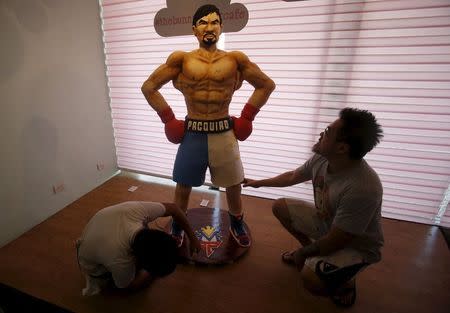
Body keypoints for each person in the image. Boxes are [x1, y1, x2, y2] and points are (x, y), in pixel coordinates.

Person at [141, 4, 275, 248]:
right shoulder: (181, 59)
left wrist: (248, 116)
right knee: (183, 185)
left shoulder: (235, 59)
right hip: (193, 132)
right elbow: (149, 87)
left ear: (221, 27)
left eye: (214, 22)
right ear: (194, 29)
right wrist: (168, 119)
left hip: (223, 130)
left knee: (234, 184)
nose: (209, 27)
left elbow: (266, 84)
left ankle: (236, 222)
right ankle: (178, 225)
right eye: (203, 23)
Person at [243, 107, 384, 307]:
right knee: (280, 207)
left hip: (355, 244)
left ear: (342, 148)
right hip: (329, 222)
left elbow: (338, 240)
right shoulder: (323, 157)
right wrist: (259, 182)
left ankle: (346, 282)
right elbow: (293, 176)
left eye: (327, 132)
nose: (321, 133)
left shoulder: (363, 188)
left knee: (311, 279)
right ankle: (310, 251)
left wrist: (304, 254)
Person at [76, 201, 200, 296]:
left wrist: (192, 237)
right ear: (139, 260)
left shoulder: (137, 211)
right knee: (124, 284)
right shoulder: (120, 260)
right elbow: (128, 287)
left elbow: (174, 208)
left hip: (99, 232)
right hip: (92, 266)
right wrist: (153, 274)